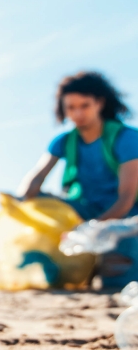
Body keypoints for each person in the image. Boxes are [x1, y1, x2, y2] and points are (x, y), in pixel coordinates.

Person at [18, 71, 138, 289]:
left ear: (99, 103)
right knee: (42, 201)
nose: (77, 113)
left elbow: (127, 198)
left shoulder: (127, 138)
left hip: (125, 218)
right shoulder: (63, 141)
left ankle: (107, 265)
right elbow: (37, 176)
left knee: (118, 282)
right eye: (71, 107)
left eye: (85, 105)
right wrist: (22, 200)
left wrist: (92, 229)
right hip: (83, 210)